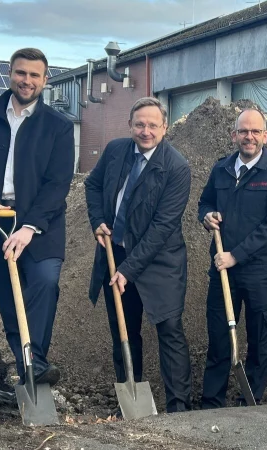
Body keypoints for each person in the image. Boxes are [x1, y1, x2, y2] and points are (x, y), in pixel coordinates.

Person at [0, 48, 75, 392]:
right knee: (11, 304)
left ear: (45, 79)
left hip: (41, 223)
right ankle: (31, 374)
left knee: (44, 283)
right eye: (21, 73)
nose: (27, 81)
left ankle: (33, 362)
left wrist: (28, 227)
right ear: (11, 73)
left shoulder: (58, 126)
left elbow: (58, 184)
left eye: (34, 75)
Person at [85, 97, 192, 414]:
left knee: (169, 329)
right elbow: (92, 185)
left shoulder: (176, 167)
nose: (146, 131)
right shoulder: (116, 150)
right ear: (130, 125)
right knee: (124, 330)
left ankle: (178, 407)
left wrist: (128, 270)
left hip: (160, 261)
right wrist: (97, 221)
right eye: (139, 124)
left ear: (165, 128)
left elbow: (162, 227)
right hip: (115, 253)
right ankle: (129, 402)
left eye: (152, 125)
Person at [198, 108, 267, 408]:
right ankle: (211, 401)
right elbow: (205, 201)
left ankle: (249, 400)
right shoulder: (222, 168)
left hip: (259, 271)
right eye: (243, 131)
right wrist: (207, 216)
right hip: (223, 270)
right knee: (218, 338)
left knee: (257, 335)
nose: (249, 137)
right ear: (234, 135)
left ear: (265, 136)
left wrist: (235, 256)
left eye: (255, 132)